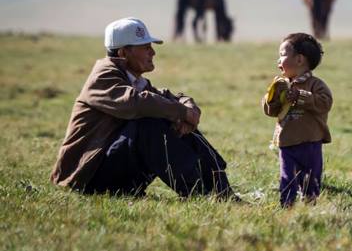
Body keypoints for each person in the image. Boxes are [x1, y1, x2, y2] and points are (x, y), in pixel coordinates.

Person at [50, 17, 234, 198]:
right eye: (145, 48)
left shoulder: (132, 79)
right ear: (123, 53)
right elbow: (136, 103)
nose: (152, 53)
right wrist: (182, 112)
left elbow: (166, 99)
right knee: (149, 123)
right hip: (86, 178)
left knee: (161, 115)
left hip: (111, 172)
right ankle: (197, 193)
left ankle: (221, 189)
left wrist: (187, 109)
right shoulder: (103, 77)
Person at [262, 33, 333, 207]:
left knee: (311, 179)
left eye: (282, 55)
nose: (278, 60)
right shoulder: (281, 85)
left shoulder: (315, 85)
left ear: (300, 59)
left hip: (310, 142)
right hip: (286, 142)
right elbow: (272, 111)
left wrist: (300, 96)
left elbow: (325, 103)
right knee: (287, 177)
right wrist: (271, 100)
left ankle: (310, 204)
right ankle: (287, 206)